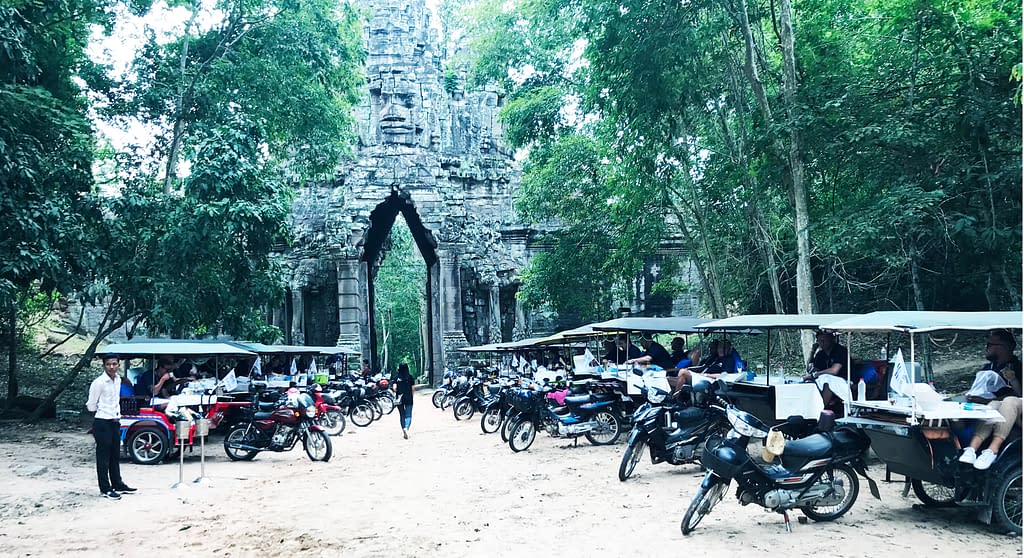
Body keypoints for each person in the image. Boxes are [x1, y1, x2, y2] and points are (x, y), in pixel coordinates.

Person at [959, 330, 1023, 470]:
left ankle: (992, 450)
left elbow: (1018, 395)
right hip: (982, 408)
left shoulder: (1017, 368)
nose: (987, 348)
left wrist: (1012, 380)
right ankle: (971, 449)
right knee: (993, 405)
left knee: (1008, 401)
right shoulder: (988, 368)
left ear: (1004, 347)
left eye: (991, 344)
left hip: (1013, 409)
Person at [85, 354, 136, 499]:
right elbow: (91, 405)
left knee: (115, 454)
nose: (112, 367)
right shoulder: (99, 382)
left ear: (119, 365)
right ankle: (105, 488)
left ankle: (117, 483)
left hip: (115, 421)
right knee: (103, 457)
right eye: (108, 364)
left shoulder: (118, 380)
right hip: (102, 422)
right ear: (104, 366)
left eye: (114, 364)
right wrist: (102, 412)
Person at [392, 363, 415, 439]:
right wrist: (412, 396)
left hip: (399, 398)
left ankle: (403, 428)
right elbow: (413, 389)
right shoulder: (410, 377)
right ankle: (406, 429)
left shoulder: (396, 377)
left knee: (402, 415)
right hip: (408, 397)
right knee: (408, 415)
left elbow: (394, 388)